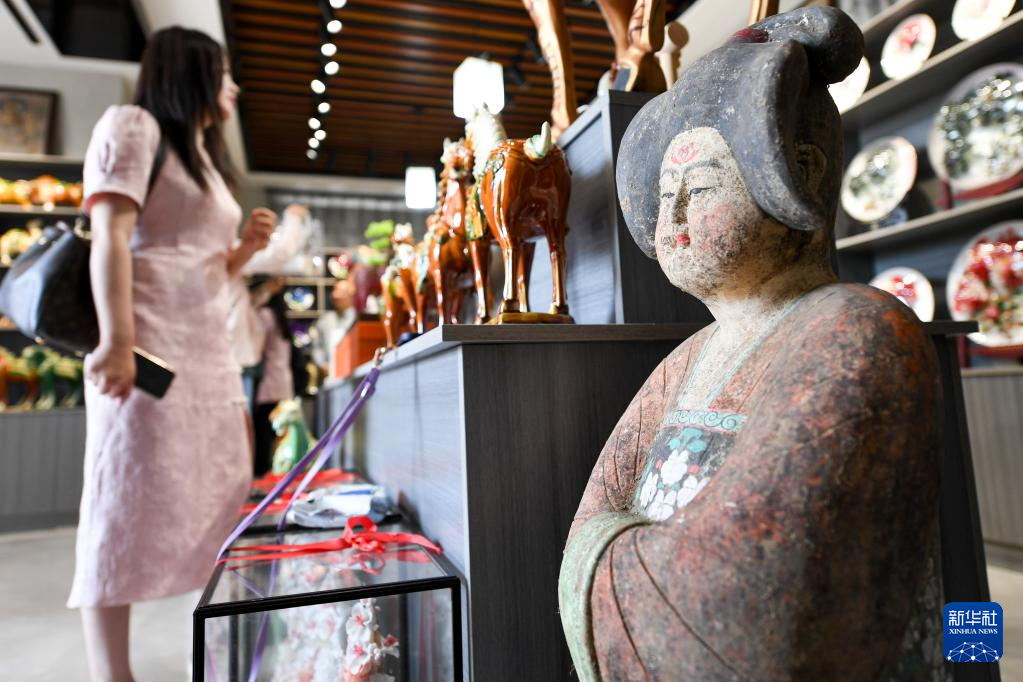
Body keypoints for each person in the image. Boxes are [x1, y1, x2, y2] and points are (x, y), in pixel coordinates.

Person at [560, 8, 946, 681]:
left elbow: (746, 606)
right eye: (667, 193)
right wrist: (618, 546)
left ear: (802, 171)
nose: (674, 217)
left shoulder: (857, 329)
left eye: (702, 186)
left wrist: (613, 545)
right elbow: (584, 532)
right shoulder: (687, 358)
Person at [68, 26, 277, 681]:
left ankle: (211, 659)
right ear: (192, 74)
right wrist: (117, 342)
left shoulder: (203, 159)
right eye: (224, 73)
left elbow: (200, 265)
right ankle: (113, 674)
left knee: (214, 498)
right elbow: (111, 235)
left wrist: (243, 252)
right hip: (147, 353)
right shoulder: (133, 127)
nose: (234, 87)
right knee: (122, 502)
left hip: (207, 358)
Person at [251, 279, 296, 476]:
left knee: (263, 438)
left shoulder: (265, 316)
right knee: (282, 439)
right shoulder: (282, 319)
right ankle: (281, 477)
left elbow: (255, 348)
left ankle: (262, 478)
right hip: (285, 385)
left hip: (269, 386)